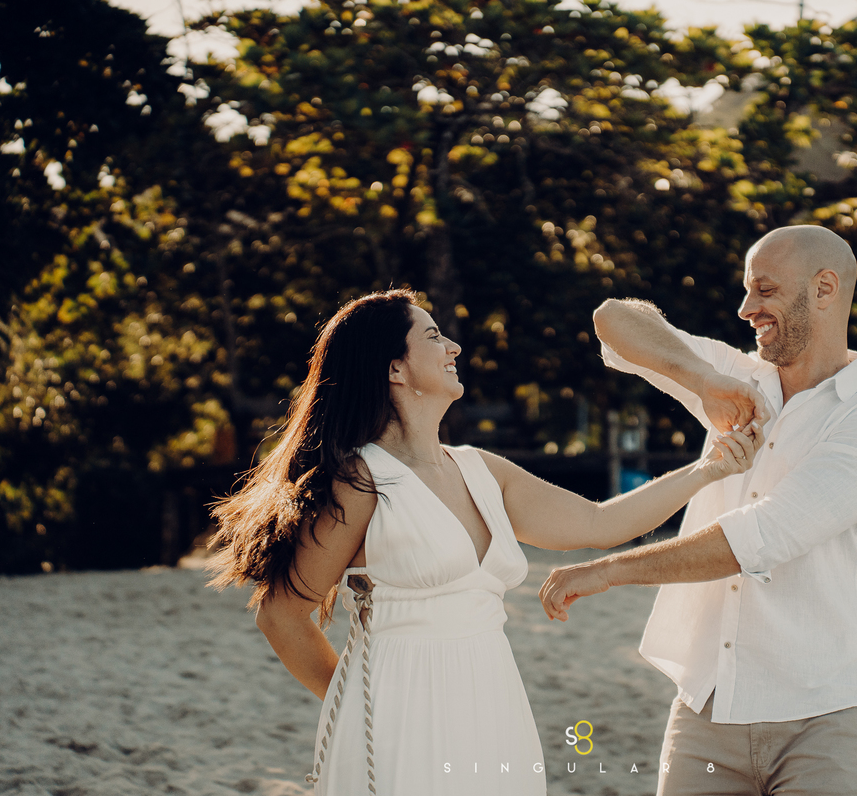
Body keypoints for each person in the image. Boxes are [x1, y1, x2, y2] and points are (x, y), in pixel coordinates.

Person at [205, 289, 763, 796]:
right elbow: (281, 614)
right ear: (395, 369)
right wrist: (350, 704)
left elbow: (599, 523)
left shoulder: (480, 470)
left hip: (492, 702)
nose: (453, 345)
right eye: (432, 336)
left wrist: (709, 470)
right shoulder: (359, 481)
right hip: (399, 713)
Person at [539, 225, 857, 796]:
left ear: (824, 288)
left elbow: (761, 536)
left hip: (825, 717)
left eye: (764, 290)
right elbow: (614, 320)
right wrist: (701, 379)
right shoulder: (735, 378)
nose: (747, 309)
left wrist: (609, 569)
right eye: (747, 290)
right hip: (706, 711)